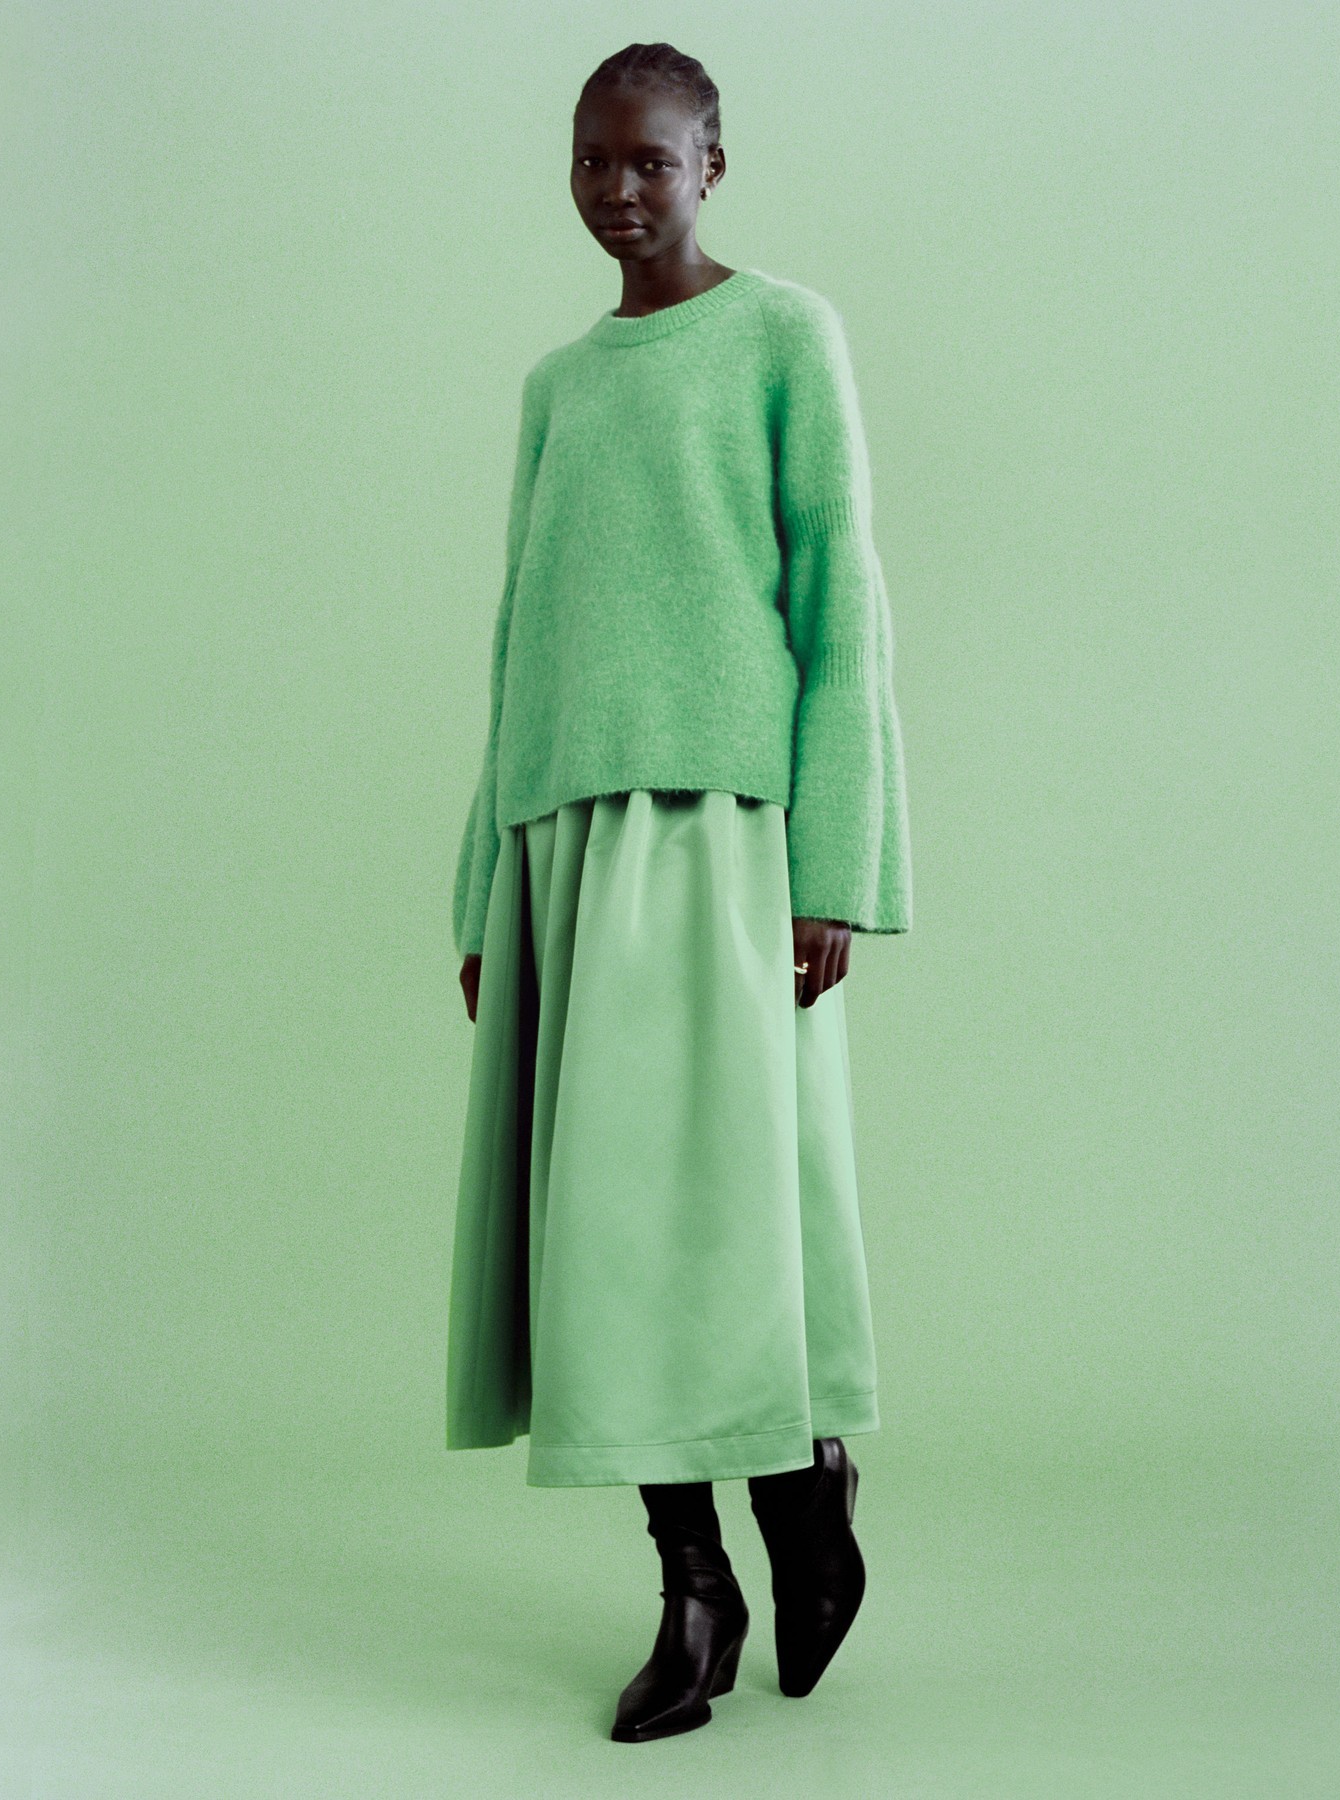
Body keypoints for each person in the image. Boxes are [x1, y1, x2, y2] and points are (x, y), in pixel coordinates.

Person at [445, 41, 914, 1743]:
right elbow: (521, 635)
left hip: (724, 837)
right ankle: (693, 1585)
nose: (619, 189)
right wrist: (484, 890)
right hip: (568, 845)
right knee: (608, 1241)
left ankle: (800, 1483)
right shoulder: (558, 386)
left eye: (651, 159)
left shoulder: (786, 336)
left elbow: (843, 604)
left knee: (716, 1213)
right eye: (594, 160)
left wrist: (832, 868)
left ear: (714, 164)